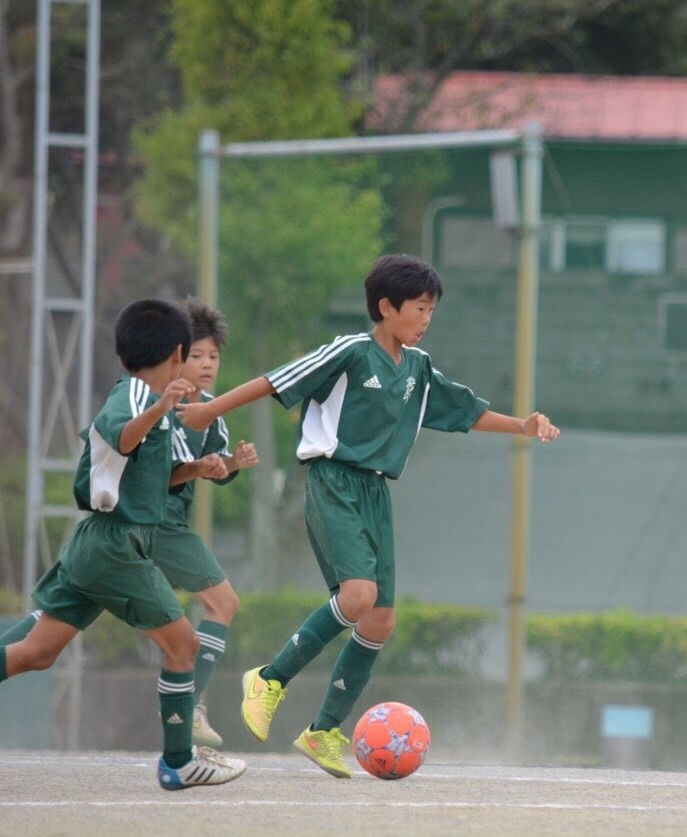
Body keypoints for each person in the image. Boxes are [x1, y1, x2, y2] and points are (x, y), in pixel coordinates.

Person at [179, 253, 560, 778]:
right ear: (386, 307)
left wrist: (522, 425)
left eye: (432, 310)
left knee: (380, 619)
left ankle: (323, 731)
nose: (427, 319)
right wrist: (208, 409)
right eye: (420, 308)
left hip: (375, 491)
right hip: (333, 481)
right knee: (358, 597)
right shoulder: (352, 351)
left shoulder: (419, 368)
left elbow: (465, 413)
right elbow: (274, 381)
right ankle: (268, 678)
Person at [0, 299, 246, 790]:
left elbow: (139, 465)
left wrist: (196, 467)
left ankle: (180, 760)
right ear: (179, 353)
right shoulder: (136, 395)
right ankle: (178, 762)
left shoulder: (146, 396)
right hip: (113, 545)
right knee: (184, 645)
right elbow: (121, 437)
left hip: (102, 541)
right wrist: (158, 407)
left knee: (36, 653)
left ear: (121, 355)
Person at [155, 297, 260, 747]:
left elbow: (210, 471)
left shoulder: (212, 412)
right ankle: (191, 707)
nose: (206, 364)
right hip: (151, 525)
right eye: (196, 355)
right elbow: (156, 478)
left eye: (213, 356)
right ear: (174, 355)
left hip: (163, 528)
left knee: (47, 637)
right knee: (222, 604)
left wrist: (232, 463)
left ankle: (190, 710)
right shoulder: (153, 406)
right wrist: (198, 469)